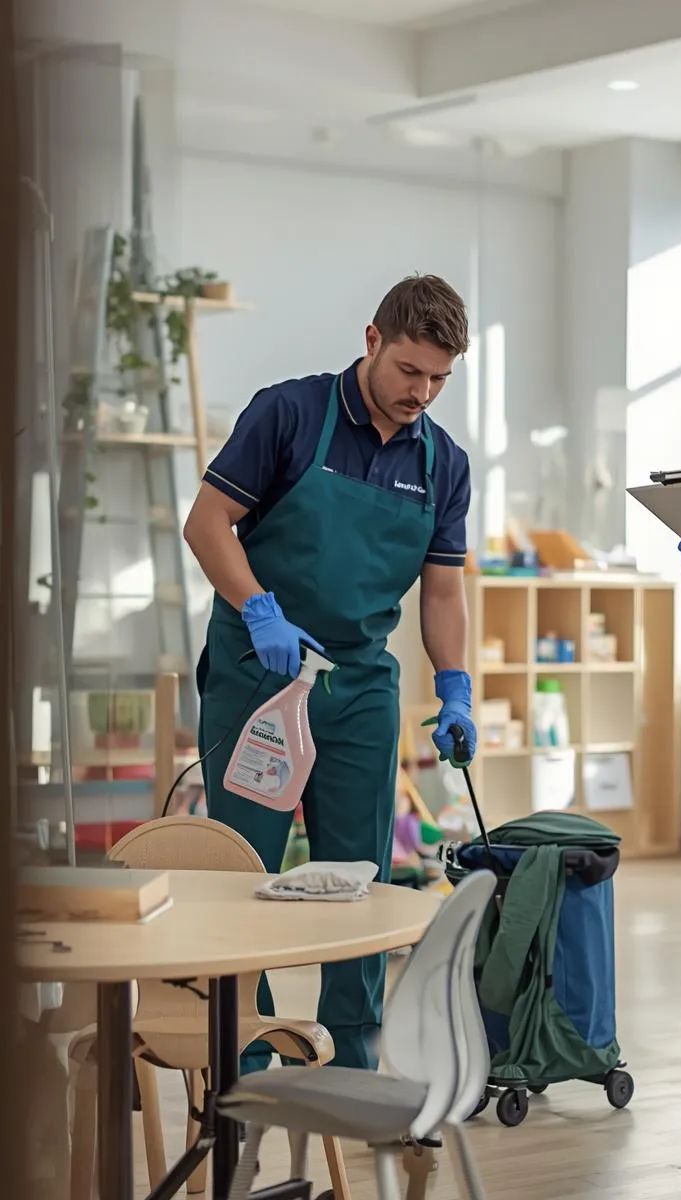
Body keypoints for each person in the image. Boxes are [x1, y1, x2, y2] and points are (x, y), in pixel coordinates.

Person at [184, 273, 477, 1072]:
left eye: (439, 379)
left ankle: (353, 1064)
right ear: (372, 340)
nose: (422, 392)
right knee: (245, 873)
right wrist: (256, 609)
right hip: (260, 675)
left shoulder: (443, 462)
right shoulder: (289, 413)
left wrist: (455, 685)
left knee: (361, 880)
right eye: (410, 371)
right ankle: (242, 1055)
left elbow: (442, 587)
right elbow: (208, 523)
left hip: (358, 690)